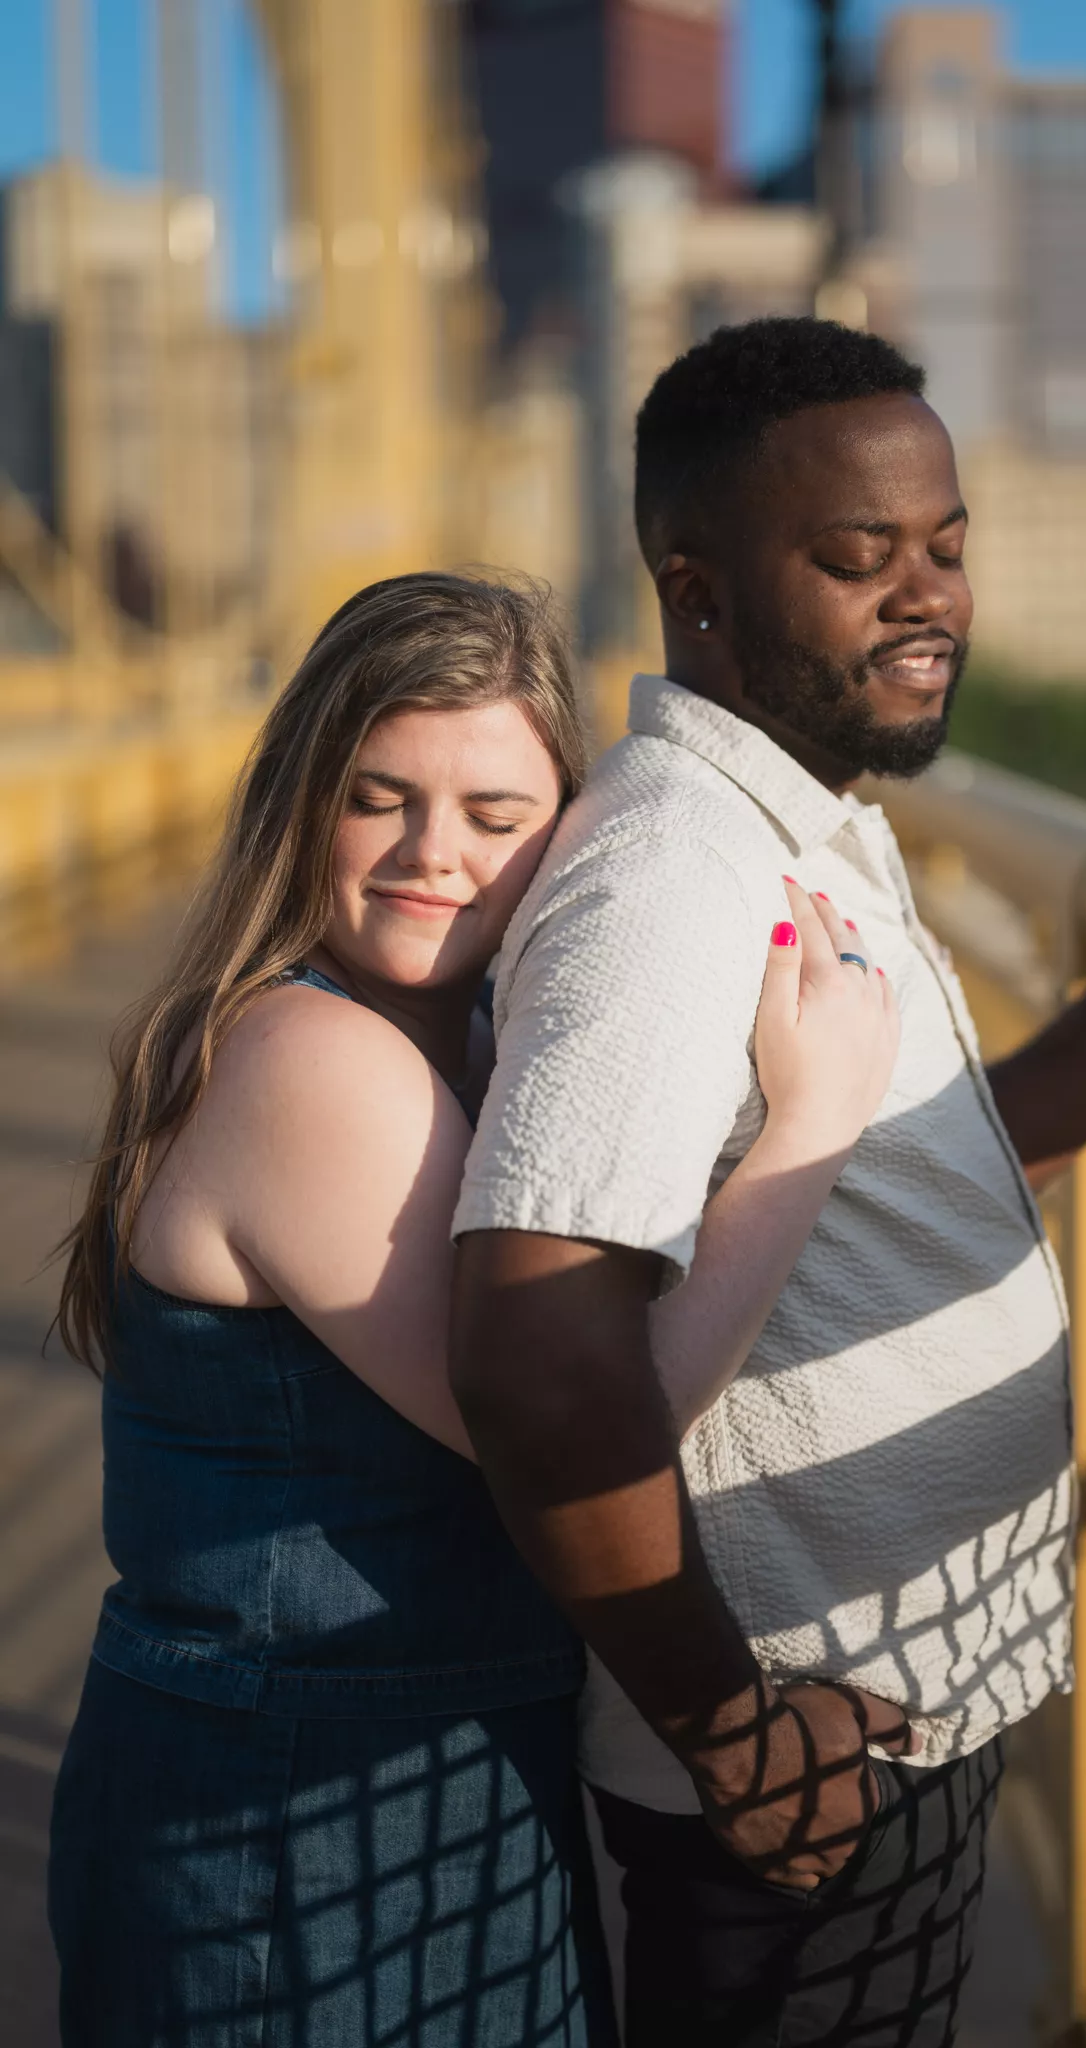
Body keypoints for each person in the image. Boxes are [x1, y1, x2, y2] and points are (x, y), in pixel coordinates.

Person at [446, 318, 1086, 2047]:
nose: (927, 597)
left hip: (875, 1717)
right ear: (701, 594)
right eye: (859, 560)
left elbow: (936, 1172)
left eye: (945, 546)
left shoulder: (806, 822)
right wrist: (733, 1730)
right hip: (798, 1755)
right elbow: (535, 1355)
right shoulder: (671, 887)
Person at [47, 570, 902, 2048]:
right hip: (288, 1814)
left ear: (562, 836)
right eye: (381, 799)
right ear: (300, 800)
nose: (435, 856)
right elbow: (575, 1430)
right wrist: (811, 1122)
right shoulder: (313, 1061)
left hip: (427, 1775)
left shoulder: (460, 1052)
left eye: (498, 821)